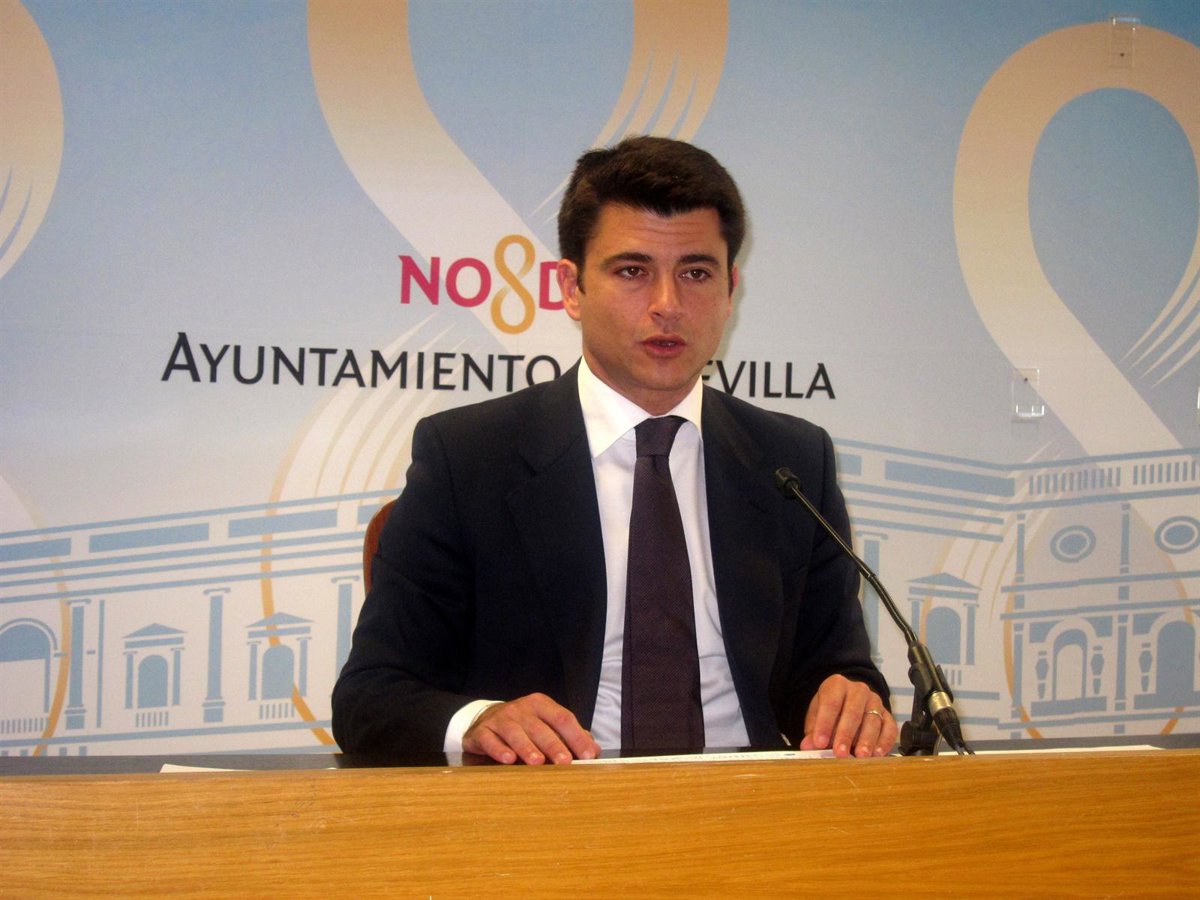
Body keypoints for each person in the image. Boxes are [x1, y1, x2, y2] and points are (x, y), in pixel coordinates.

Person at [333, 136, 898, 764]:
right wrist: (478, 721)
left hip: (751, 802)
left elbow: (834, 671)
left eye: (696, 273)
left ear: (730, 290)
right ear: (571, 288)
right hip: (554, 801)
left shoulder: (791, 461)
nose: (667, 305)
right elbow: (369, 697)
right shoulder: (468, 460)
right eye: (632, 271)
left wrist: (850, 702)